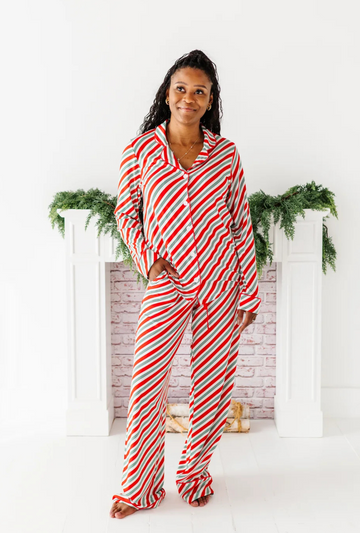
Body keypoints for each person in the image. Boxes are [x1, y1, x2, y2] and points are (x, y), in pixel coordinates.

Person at [109, 49, 261, 519]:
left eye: (199, 91)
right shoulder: (140, 151)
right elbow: (126, 213)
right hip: (168, 281)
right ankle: (140, 488)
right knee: (146, 383)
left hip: (221, 279)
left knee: (212, 386)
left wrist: (249, 292)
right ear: (167, 93)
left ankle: (194, 476)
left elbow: (240, 224)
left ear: (210, 100)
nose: (189, 99)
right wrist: (149, 261)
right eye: (181, 89)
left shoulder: (226, 154)